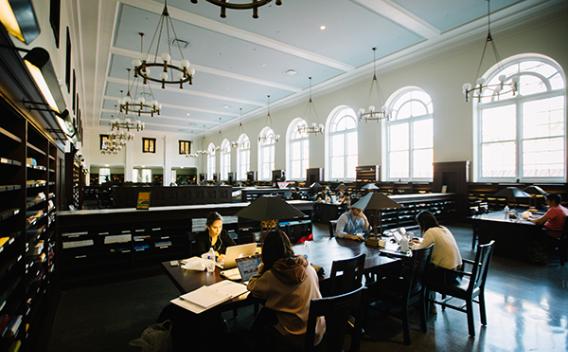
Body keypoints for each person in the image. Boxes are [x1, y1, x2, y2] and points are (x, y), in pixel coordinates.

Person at [248, 230, 325, 351]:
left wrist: (261, 269)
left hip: (296, 336)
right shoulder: (308, 267)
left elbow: (253, 287)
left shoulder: (271, 276)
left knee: (263, 320)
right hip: (317, 331)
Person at [411, 211, 462, 287]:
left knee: (415, 269)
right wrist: (419, 243)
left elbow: (420, 249)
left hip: (445, 275)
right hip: (456, 271)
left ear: (422, 223)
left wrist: (411, 245)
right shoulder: (443, 228)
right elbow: (429, 243)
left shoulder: (430, 232)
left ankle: (414, 293)